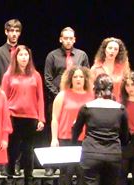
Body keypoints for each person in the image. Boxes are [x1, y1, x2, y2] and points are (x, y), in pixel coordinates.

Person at [72, 74, 129, 185]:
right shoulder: (120, 109)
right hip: (113, 156)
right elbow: (126, 137)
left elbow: (75, 131)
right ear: (112, 89)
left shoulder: (87, 108)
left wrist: (77, 142)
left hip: (90, 155)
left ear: (95, 89)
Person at [44, 27, 90, 176]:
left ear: (74, 39)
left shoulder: (81, 55)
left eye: (71, 38)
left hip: (78, 99)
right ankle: (52, 165)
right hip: (58, 98)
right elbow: (48, 78)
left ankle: (77, 165)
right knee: (55, 128)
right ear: (61, 39)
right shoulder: (52, 56)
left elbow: (86, 74)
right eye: (66, 38)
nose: (68, 41)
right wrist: (61, 95)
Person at [1, 45, 45, 185]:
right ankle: (10, 179)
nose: (24, 58)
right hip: (13, 116)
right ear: (16, 57)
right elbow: (3, 98)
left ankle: (29, 180)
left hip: (30, 117)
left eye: (26, 55)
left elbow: (40, 98)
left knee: (28, 151)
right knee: (12, 150)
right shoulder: (8, 75)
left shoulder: (36, 75)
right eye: (21, 55)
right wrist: (4, 118)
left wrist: (41, 118)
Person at [51, 66, 93, 185]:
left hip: (85, 140)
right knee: (66, 173)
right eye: (75, 77)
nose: (78, 79)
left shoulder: (91, 96)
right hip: (65, 138)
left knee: (83, 173)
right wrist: (54, 138)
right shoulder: (62, 95)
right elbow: (55, 118)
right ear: (70, 79)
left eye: (81, 77)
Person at [0, 18, 22, 177]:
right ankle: (3, 164)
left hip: (20, 99)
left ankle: (15, 165)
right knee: (2, 133)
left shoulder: (24, 52)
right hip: (2, 98)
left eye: (17, 31)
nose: (14, 34)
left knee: (18, 134)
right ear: (6, 32)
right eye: (12, 31)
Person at [91, 37, 130, 101]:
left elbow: (128, 88)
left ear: (118, 52)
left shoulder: (123, 69)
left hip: (117, 105)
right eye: (110, 48)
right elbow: (90, 89)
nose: (112, 51)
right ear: (104, 49)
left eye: (115, 49)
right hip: (99, 105)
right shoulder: (95, 68)